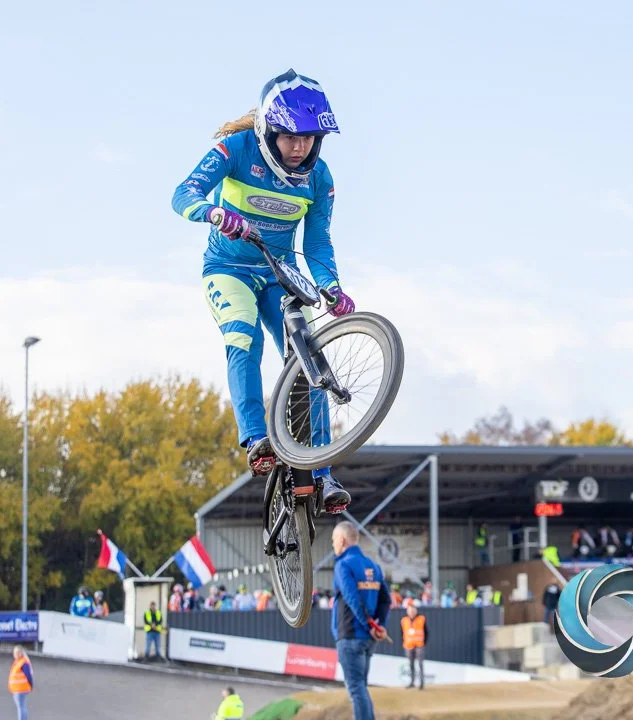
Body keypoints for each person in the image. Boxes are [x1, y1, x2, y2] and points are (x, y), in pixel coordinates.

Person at [170, 68, 352, 514]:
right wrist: (213, 213)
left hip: (279, 273)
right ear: (269, 130)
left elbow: (317, 243)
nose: (299, 147)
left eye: (308, 138)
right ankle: (255, 439)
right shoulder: (236, 149)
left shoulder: (320, 177)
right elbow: (183, 193)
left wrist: (330, 286)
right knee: (243, 336)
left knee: (309, 356)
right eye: (289, 137)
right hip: (228, 268)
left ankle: (323, 472)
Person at [331, 520, 391, 720]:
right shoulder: (373, 565)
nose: (333, 544)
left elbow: (352, 598)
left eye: (333, 540)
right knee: (361, 687)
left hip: (350, 635)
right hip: (368, 638)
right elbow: (386, 600)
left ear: (342, 540)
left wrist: (368, 624)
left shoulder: (343, 565)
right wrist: (378, 625)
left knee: (356, 689)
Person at [401, 604, 427, 690]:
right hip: (408, 645)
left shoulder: (421, 619)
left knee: (420, 664)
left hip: (419, 645)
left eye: (413, 610)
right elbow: (402, 633)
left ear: (416, 611)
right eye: (410, 611)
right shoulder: (404, 620)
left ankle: (421, 683)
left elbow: (426, 632)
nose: (411, 612)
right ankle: (412, 682)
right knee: (411, 664)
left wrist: (423, 643)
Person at [8, 645, 34, 720]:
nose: (14, 655)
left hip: (21, 689)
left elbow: (28, 675)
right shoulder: (18, 662)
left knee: (21, 707)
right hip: (18, 689)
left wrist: (31, 685)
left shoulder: (23, 663)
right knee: (22, 706)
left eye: (15, 653)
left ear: (20, 653)